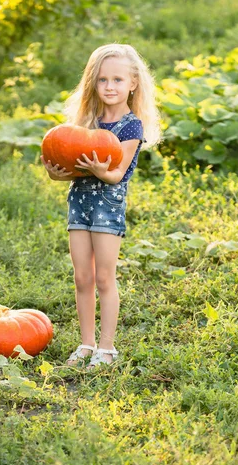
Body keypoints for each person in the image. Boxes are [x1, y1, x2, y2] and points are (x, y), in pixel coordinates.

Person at [41, 43, 161, 369]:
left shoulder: (131, 126)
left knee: (105, 278)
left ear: (133, 83)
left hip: (108, 208)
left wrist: (98, 170)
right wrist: (56, 173)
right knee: (82, 277)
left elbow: (116, 173)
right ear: (93, 83)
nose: (110, 87)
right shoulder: (87, 123)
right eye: (103, 80)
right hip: (79, 205)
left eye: (118, 80)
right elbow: (70, 169)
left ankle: (106, 349)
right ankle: (86, 344)